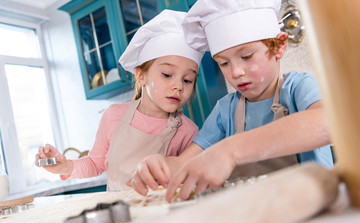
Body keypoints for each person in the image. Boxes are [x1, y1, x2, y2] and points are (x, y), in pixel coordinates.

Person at [129, 0, 334, 200]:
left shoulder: (298, 87)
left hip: (314, 213)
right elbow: (183, 162)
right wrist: (159, 166)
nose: (236, 72)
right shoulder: (226, 109)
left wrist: (232, 150)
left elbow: (328, 123)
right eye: (224, 63)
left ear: (279, 46)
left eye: (246, 56)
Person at [35, 9, 204, 191]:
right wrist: (65, 166)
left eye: (188, 80)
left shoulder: (188, 132)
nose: (178, 85)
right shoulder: (113, 115)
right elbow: (95, 163)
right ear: (141, 76)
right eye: (167, 74)